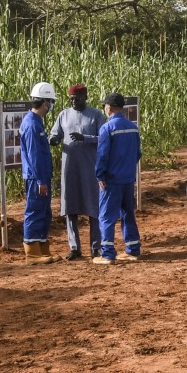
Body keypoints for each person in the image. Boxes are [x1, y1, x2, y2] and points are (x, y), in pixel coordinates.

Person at [49, 84, 106, 260]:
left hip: (90, 169)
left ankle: (95, 247)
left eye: (77, 98)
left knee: (93, 208)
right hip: (70, 168)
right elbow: (55, 133)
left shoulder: (96, 115)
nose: (74, 101)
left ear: (85, 97)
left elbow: (104, 138)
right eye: (72, 99)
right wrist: (54, 139)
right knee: (70, 207)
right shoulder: (63, 115)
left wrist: (86, 138)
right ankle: (74, 248)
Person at [93, 92, 142, 265]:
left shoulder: (107, 128)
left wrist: (100, 174)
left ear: (108, 107)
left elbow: (102, 155)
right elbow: (137, 153)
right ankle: (133, 250)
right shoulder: (132, 127)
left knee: (106, 216)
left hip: (111, 180)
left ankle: (107, 254)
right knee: (128, 214)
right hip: (127, 179)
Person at [20, 82, 57, 264]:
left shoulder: (36, 122)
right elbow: (34, 155)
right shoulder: (32, 124)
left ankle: (42, 248)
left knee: (44, 211)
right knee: (34, 211)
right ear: (45, 103)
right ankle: (32, 253)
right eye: (51, 102)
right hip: (36, 178)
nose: (51, 106)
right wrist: (41, 180)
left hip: (41, 176)